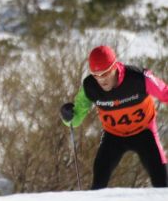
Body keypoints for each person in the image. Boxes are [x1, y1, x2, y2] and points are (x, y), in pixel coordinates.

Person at [60, 45, 168, 189]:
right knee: (99, 179)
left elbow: (165, 93)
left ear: (114, 66)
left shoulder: (139, 79)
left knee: (162, 182)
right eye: (96, 75)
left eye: (105, 73)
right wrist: (68, 116)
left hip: (144, 132)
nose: (101, 80)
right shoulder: (90, 87)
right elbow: (75, 120)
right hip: (114, 136)